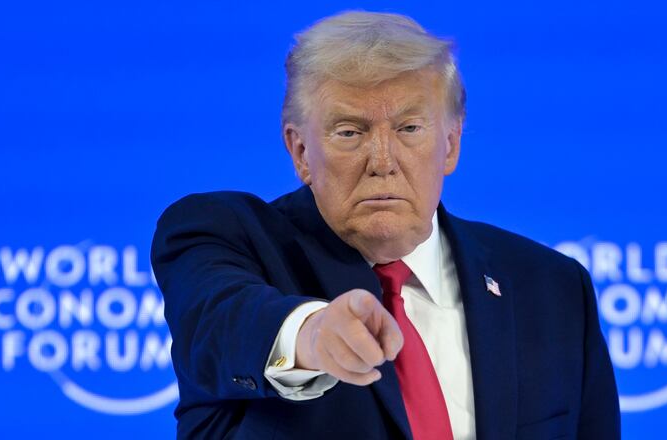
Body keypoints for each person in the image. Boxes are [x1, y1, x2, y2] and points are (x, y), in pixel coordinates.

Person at [151, 10, 620, 440]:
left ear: (451, 143)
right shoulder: (224, 237)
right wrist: (312, 335)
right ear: (300, 152)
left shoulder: (552, 287)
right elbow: (222, 319)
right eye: (350, 132)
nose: (383, 162)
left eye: (409, 128)